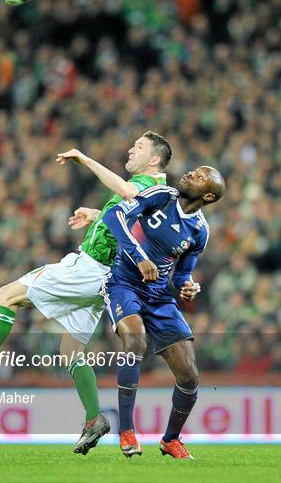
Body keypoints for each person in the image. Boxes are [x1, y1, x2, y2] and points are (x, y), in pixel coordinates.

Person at [0, 131, 186, 454]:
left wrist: (84, 159)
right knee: (71, 352)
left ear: (154, 159)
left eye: (138, 147)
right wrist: (97, 217)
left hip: (89, 268)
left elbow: (126, 192)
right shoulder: (159, 193)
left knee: (7, 295)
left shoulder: (144, 185)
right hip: (109, 278)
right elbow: (133, 226)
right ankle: (94, 419)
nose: (130, 148)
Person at [100, 166, 225, 459]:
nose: (192, 173)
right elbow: (113, 216)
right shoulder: (161, 196)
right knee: (135, 342)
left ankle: (171, 439)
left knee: (190, 376)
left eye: (201, 176)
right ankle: (127, 430)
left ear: (208, 195)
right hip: (123, 283)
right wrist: (140, 258)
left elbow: (182, 275)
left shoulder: (199, 231)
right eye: (195, 170)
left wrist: (188, 286)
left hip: (159, 297)